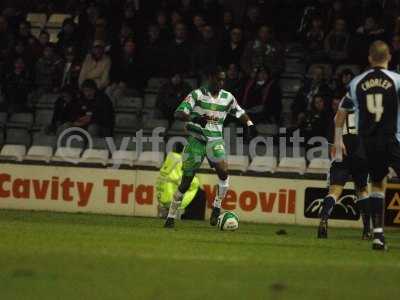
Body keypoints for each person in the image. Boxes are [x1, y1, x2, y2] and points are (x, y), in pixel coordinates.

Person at [164, 66, 257, 228]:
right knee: (186, 182)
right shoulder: (197, 95)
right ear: (210, 78)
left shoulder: (227, 97)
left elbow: (239, 112)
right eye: (218, 79)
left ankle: (216, 207)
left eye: (223, 79)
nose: (221, 83)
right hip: (196, 141)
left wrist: (249, 124)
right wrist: (194, 117)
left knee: (224, 171)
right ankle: (171, 216)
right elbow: (178, 113)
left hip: (215, 141)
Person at [334, 40, 400, 250]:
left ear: (370, 58)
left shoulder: (355, 83)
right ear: (389, 56)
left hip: (369, 141)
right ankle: (378, 235)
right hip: (394, 137)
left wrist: (337, 140)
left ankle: (378, 236)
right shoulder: (397, 80)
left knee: (378, 184)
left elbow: (340, 114)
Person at [317, 109, 371, 240]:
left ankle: (323, 220)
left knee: (334, 191)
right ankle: (367, 231)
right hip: (361, 151)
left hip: (342, 151)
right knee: (362, 191)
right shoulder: (366, 111)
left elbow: (331, 143)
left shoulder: (338, 114)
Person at [156, 142, 200, 219]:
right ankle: (174, 214)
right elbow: (179, 178)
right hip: (171, 193)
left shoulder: (169, 157)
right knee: (194, 184)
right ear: (183, 150)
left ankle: (163, 213)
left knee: (164, 214)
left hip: (161, 192)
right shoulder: (180, 160)